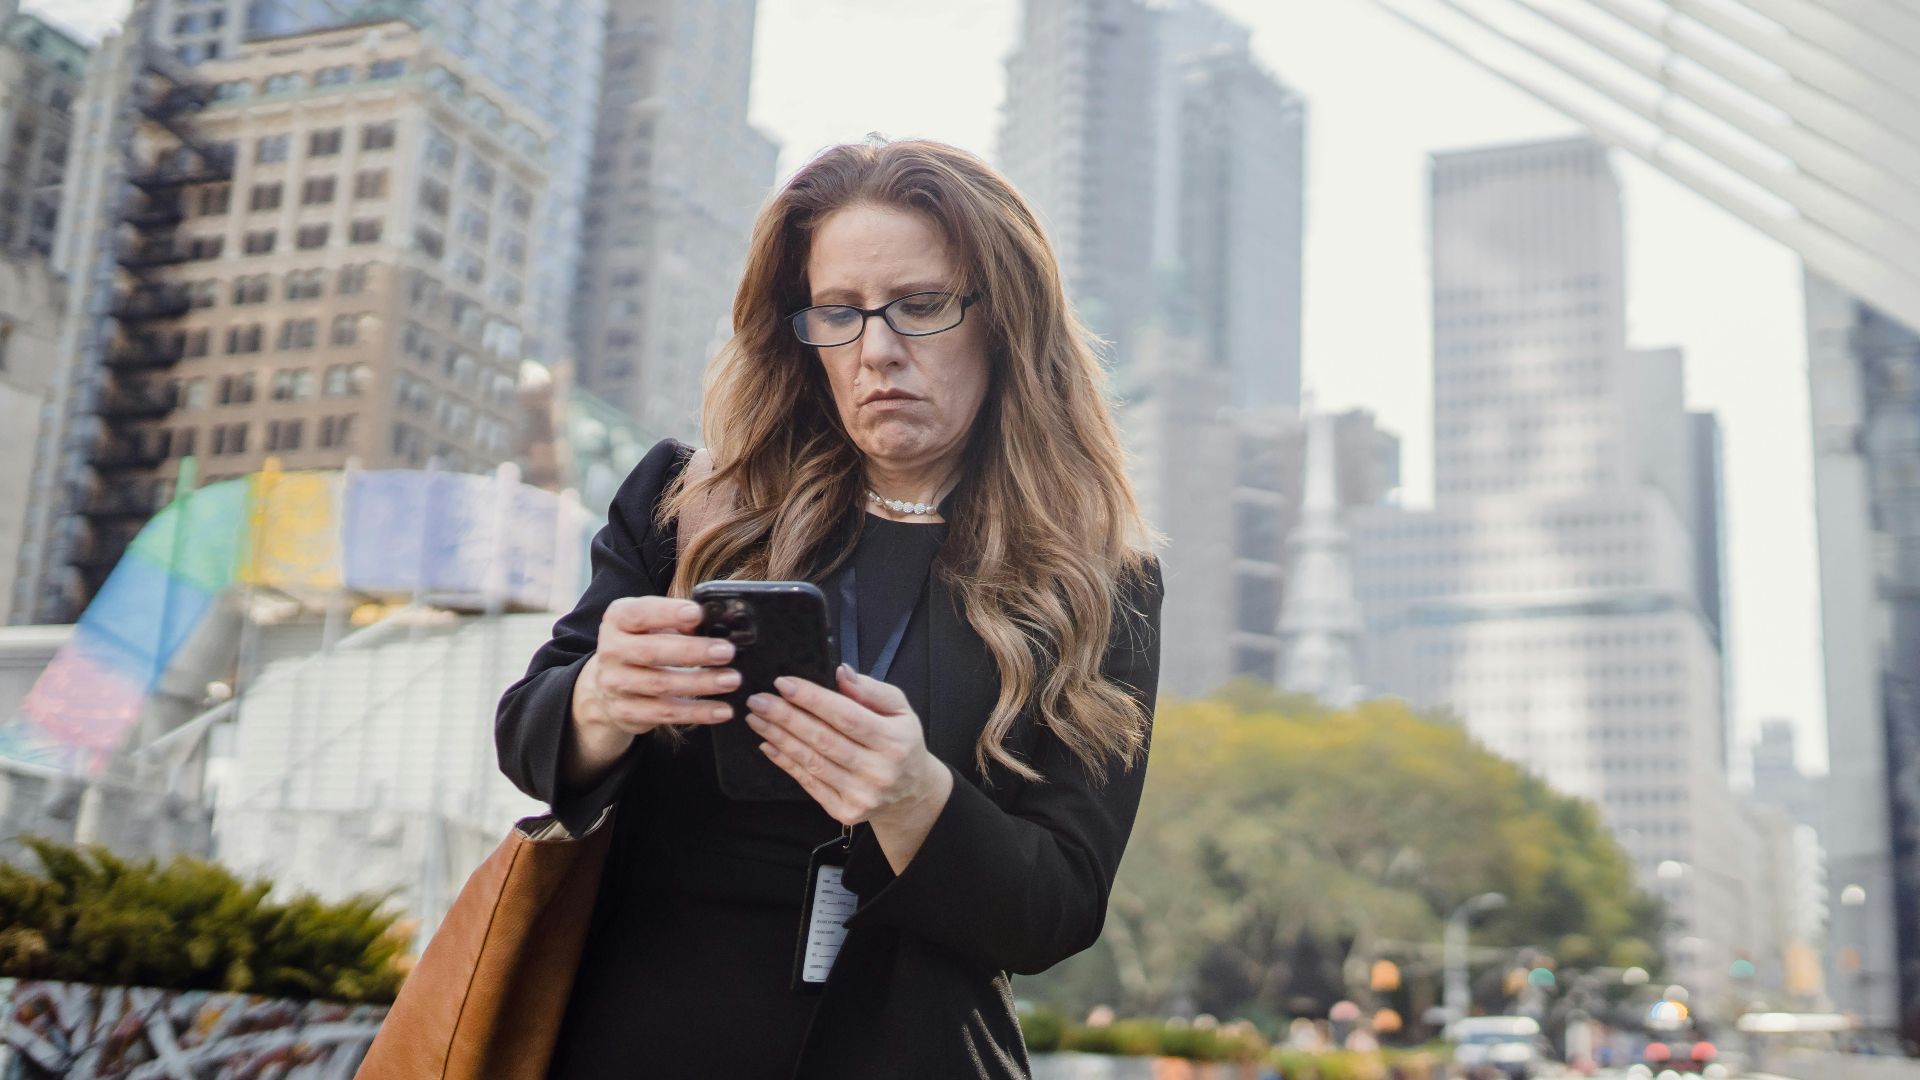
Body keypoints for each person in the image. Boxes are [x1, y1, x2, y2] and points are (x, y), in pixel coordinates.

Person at [495, 137, 1164, 1079]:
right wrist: (600, 699)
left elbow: (1059, 909)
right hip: (636, 1035)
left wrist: (917, 798)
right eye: (839, 315)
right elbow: (526, 739)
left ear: (1006, 321)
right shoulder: (683, 503)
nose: (876, 352)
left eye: (921, 308)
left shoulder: (1096, 579)